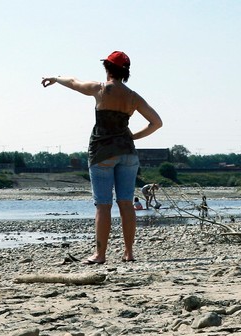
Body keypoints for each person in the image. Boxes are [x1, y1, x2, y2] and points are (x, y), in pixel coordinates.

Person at [42, 51, 162, 264]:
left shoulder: (100, 89)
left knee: (103, 205)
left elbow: (74, 82)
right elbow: (157, 123)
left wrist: (55, 78)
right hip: (127, 153)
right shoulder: (133, 97)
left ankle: (100, 254)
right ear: (126, 72)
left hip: (102, 153)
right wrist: (133, 137)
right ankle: (128, 253)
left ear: (107, 68)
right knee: (126, 204)